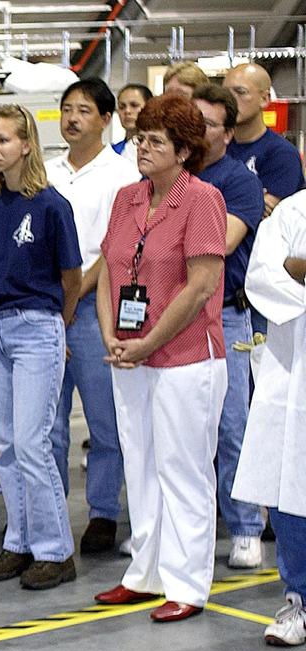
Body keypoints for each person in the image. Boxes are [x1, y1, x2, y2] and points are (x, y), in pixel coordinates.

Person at [92, 94, 228, 623]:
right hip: (129, 354)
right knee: (141, 464)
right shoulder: (127, 197)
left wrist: (149, 343)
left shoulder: (204, 200)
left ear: (184, 150)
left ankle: (188, 584)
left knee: (183, 469)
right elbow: (108, 269)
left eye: (154, 141)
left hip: (187, 357)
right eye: (139, 139)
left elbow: (199, 288)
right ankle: (144, 573)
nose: (142, 148)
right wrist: (111, 334)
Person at [0, 105, 82, 590]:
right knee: (6, 446)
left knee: (32, 443)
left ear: (26, 145)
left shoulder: (52, 206)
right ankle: (18, 542)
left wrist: (58, 326)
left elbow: (71, 275)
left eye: (3, 140)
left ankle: (55, 550)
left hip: (36, 326)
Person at [45, 78, 140, 554]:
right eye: (66, 109)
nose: (72, 119)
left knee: (104, 422)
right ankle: (50, 513)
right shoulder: (44, 172)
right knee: (49, 423)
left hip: (90, 308)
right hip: (46, 312)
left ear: (106, 119)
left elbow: (114, 249)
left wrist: (72, 294)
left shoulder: (122, 177)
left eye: (83, 110)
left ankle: (102, 512)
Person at [192, 84, 266, 568]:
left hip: (226, 314)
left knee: (231, 425)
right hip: (171, 314)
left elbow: (217, 244)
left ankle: (244, 527)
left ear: (228, 132)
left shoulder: (236, 182)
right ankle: (187, 529)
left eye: (207, 124)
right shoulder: (172, 175)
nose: (196, 131)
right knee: (180, 431)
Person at [232, 189, 306, 646]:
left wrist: (298, 267)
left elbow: (287, 271)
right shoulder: (293, 212)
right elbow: (261, 278)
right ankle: (299, 597)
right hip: (293, 371)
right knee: (291, 486)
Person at [223, 63, 305, 220]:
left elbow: (266, 213)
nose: (231, 100)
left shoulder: (282, 154)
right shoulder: (216, 148)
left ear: (264, 99)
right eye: (226, 94)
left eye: (241, 92)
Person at [112, 83, 152, 163]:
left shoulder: (158, 150)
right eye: (122, 107)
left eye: (134, 105)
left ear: (149, 107)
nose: (127, 111)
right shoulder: (111, 153)